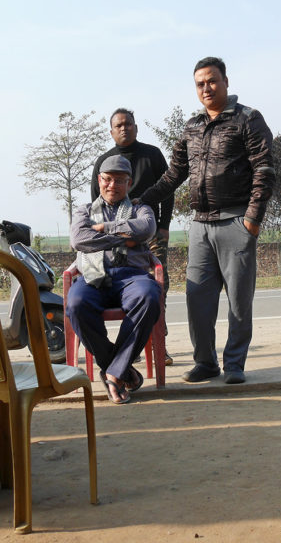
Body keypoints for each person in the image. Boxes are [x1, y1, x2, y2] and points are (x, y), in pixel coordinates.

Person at [138, 56, 275, 385]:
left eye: (212, 81)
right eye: (200, 84)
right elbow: (173, 175)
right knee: (197, 298)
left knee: (239, 302)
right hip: (199, 226)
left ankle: (235, 364)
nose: (206, 88)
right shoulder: (192, 126)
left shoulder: (248, 119)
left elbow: (264, 169)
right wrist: (139, 200)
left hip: (236, 222)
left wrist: (252, 220)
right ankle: (206, 362)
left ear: (226, 82)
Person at [66, 155, 162, 404]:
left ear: (128, 183)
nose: (112, 185)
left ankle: (112, 372)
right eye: (107, 179)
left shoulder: (141, 209)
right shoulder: (84, 210)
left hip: (132, 277)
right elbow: (79, 240)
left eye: (119, 180)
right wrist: (123, 236)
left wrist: (103, 228)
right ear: (99, 180)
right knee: (76, 305)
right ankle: (119, 370)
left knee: (149, 297)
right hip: (93, 277)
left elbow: (145, 229)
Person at [92, 108, 174, 365]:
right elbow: (95, 202)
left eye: (128, 124)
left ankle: (160, 342)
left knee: (158, 286)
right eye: (118, 125)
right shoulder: (104, 162)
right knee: (119, 286)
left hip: (149, 232)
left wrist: (163, 225)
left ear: (136, 127)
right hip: (113, 237)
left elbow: (168, 191)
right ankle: (132, 346)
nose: (124, 128)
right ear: (111, 131)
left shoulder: (152, 155)